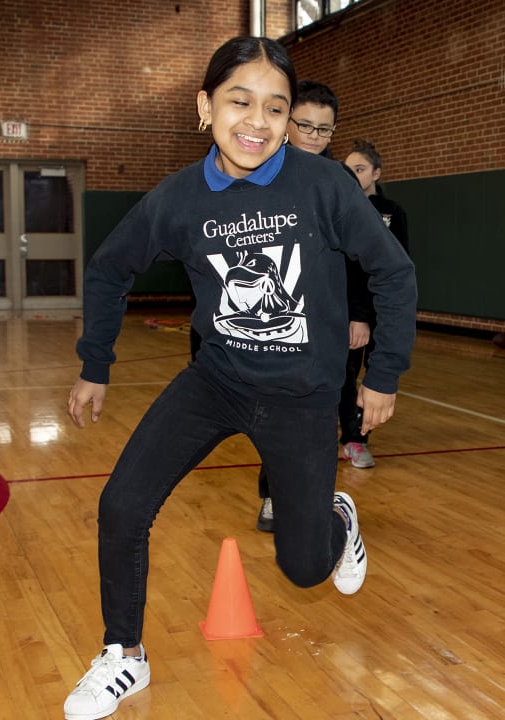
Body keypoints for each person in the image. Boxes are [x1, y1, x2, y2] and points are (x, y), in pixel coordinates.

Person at [62, 37, 417, 720]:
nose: (257, 121)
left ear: (290, 120)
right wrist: (94, 364)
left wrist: (384, 374)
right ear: (205, 107)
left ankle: (338, 519)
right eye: (239, 101)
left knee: (305, 568)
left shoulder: (324, 186)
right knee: (122, 505)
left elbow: (393, 272)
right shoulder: (179, 198)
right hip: (217, 379)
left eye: (276, 108)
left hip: (303, 395)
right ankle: (123, 657)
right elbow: (109, 268)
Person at [251, 78, 349, 533]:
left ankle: (317, 501)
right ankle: (273, 496)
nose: (313, 136)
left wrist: (362, 315)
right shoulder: (255, 171)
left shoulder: (340, 183)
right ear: (286, 122)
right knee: (274, 415)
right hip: (274, 319)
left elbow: (371, 261)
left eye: (324, 130)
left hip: (325, 327)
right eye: (305, 125)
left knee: (318, 419)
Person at [339, 139, 410, 467]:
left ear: (376, 173)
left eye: (360, 169)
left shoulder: (393, 213)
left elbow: (399, 265)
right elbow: (349, 269)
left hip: (383, 308)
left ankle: (359, 436)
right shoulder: (342, 211)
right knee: (346, 373)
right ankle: (351, 436)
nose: (353, 175)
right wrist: (358, 315)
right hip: (353, 310)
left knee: (374, 374)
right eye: (349, 169)